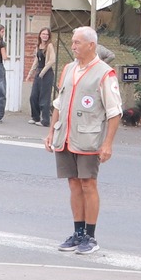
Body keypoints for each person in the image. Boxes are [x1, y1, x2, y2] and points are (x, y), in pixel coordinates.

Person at [44, 25, 121, 254]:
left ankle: (91, 236)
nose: (73, 46)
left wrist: (108, 144)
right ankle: (77, 233)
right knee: (73, 183)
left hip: (88, 138)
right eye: (73, 42)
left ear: (91, 45)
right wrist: (51, 132)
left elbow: (114, 111)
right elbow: (59, 102)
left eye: (77, 42)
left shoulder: (104, 73)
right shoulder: (68, 68)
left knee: (88, 184)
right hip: (66, 136)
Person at [28, 27, 56, 126]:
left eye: (47, 34)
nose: (45, 36)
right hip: (39, 72)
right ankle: (35, 117)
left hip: (47, 73)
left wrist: (42, 72)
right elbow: (36, 60)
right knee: (33, 96)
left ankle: (45, 120)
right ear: (40, 35)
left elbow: (52, 60)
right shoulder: (39, 45)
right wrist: (30, 73)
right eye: (43, 34)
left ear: (49, 36)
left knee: (44, 97)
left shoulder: (49, 46)